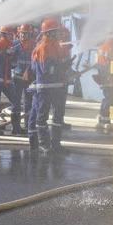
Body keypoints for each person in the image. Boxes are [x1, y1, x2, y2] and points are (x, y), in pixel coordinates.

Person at [30, 18, 68, 152]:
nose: (59, 34)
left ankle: (56, 144)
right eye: (56, 31)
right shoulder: (44, 47)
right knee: (42, 116)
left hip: (56, 87)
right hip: (45, 88)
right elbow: (47, 69)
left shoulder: (55, 45)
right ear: (50, 33)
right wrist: (60, 66)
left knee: (58, 116)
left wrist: (63, 67)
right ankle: (44, 143)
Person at [10, 24, 35, 133]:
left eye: (26, 33)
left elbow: (35, 61)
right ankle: (15, 127)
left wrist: (29, 70)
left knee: (28, 102)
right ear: (19, 33)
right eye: (22, 33)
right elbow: (9, 60)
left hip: (29, 77)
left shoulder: (34, 45)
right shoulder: (15, 45)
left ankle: (27, 125)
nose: (24, 35)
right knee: (16, 101)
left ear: (30, 34)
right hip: (17, 76)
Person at [94, 37, 113, 132]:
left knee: (107, 98)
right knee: (110, 98)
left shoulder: (102, 47)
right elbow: (110, 63)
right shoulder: (111, 47)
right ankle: (105, 120)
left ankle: (102, 118)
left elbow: (99, 63)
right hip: (108, 77)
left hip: (103, 76)